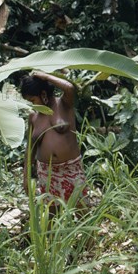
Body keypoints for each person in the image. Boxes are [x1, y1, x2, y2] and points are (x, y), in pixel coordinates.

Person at [20, 71, 88, 207]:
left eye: (33, 100)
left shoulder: (64, 104)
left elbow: (69, 87)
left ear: (43, 94)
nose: (32, 105)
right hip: (47, 172)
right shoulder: (33, 116)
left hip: (71, 169)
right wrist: (26, 176)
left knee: (81, 211)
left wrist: (44, 76)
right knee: (52, 214)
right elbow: (30, 148)